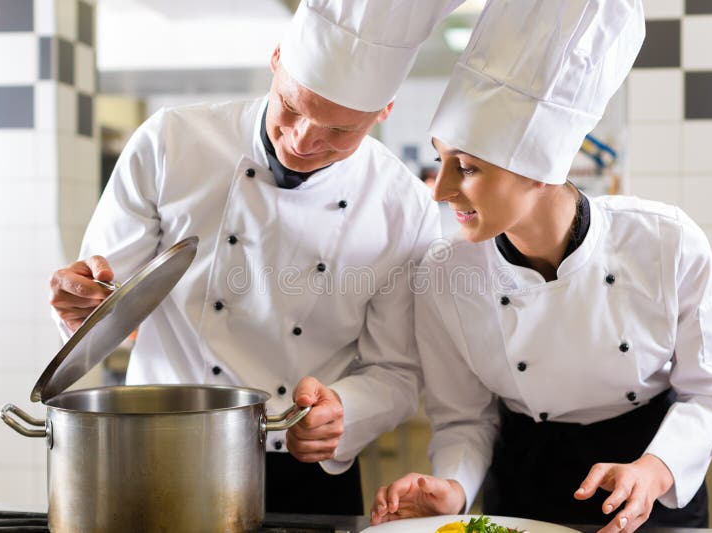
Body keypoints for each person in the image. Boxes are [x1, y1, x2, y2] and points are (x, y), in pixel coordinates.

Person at [47, 0, 455, 514]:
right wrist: (81, 307)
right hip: (160, 451)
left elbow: (396, 372)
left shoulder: (403, 204)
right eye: (293, 106)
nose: (303, 140)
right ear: (277, 58)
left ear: (384, 112)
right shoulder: (170, 142)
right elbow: (107, 305)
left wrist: (344, 412)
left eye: (339, 131)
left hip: (305, 468)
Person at [371, 0, 712, 531]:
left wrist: (654, 470)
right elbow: (464, 419)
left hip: (651, 488)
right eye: (442, 160)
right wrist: (453, 489)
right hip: (523, 490)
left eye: (468, 168)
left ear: (540, 169)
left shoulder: (666, 242)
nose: (441, 190)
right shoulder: (444, 273)